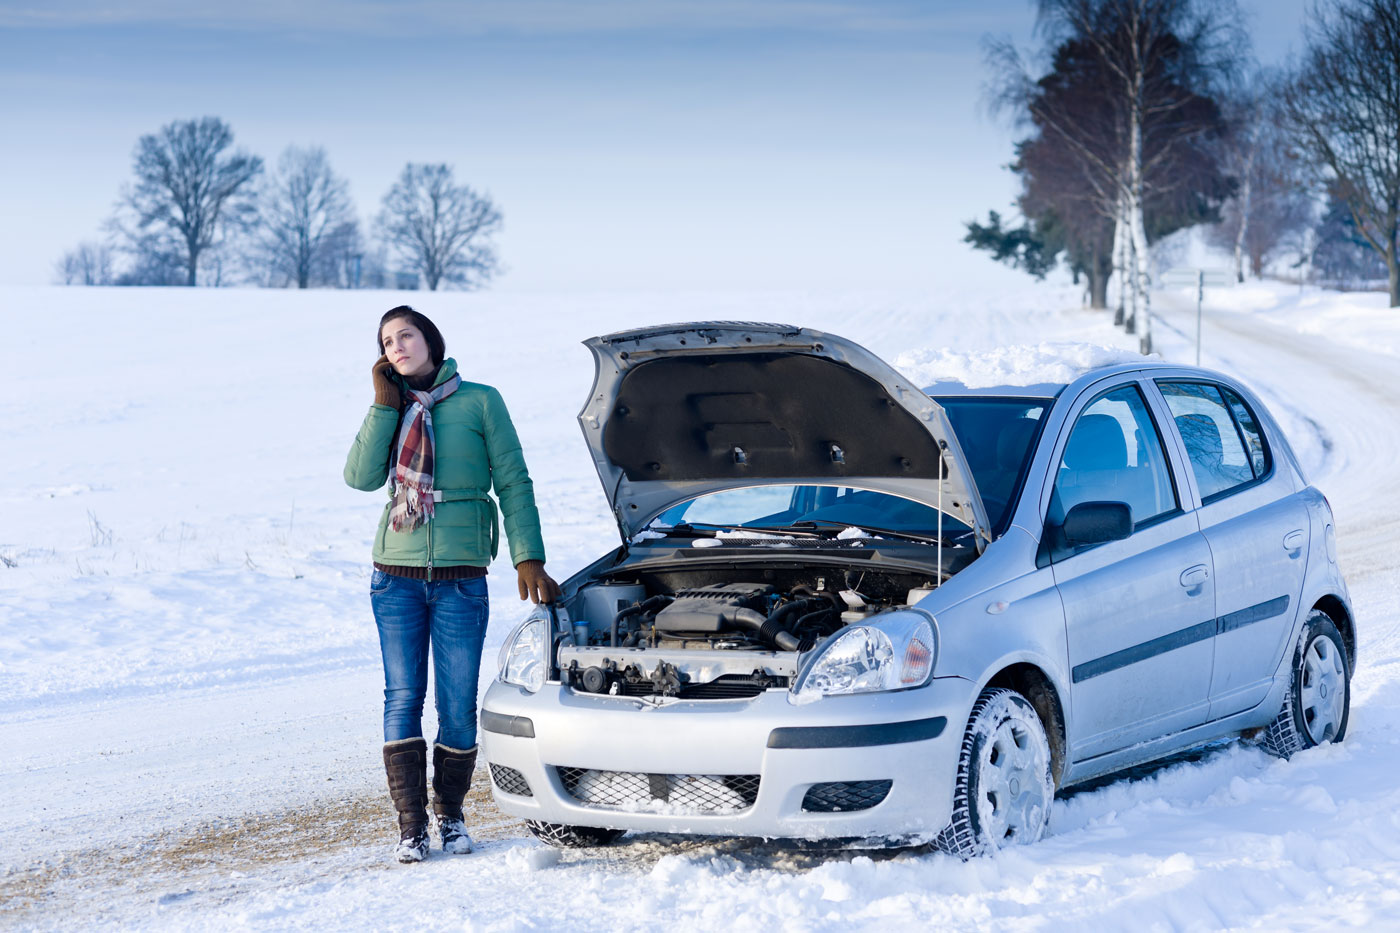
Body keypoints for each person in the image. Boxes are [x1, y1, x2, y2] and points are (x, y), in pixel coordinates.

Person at [344, 305, 560, 864]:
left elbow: (513, 481)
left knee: (458, 704)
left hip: (461, 577)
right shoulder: (392, 406)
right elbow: (360, 478)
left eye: (406, 335)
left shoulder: (481, 401)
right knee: (402, 697)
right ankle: (411, 827)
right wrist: (383, 404)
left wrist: (528, 557)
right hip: (394, 576)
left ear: (430, 340)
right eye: (386, 341)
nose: (396, 346)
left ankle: (452, 815)